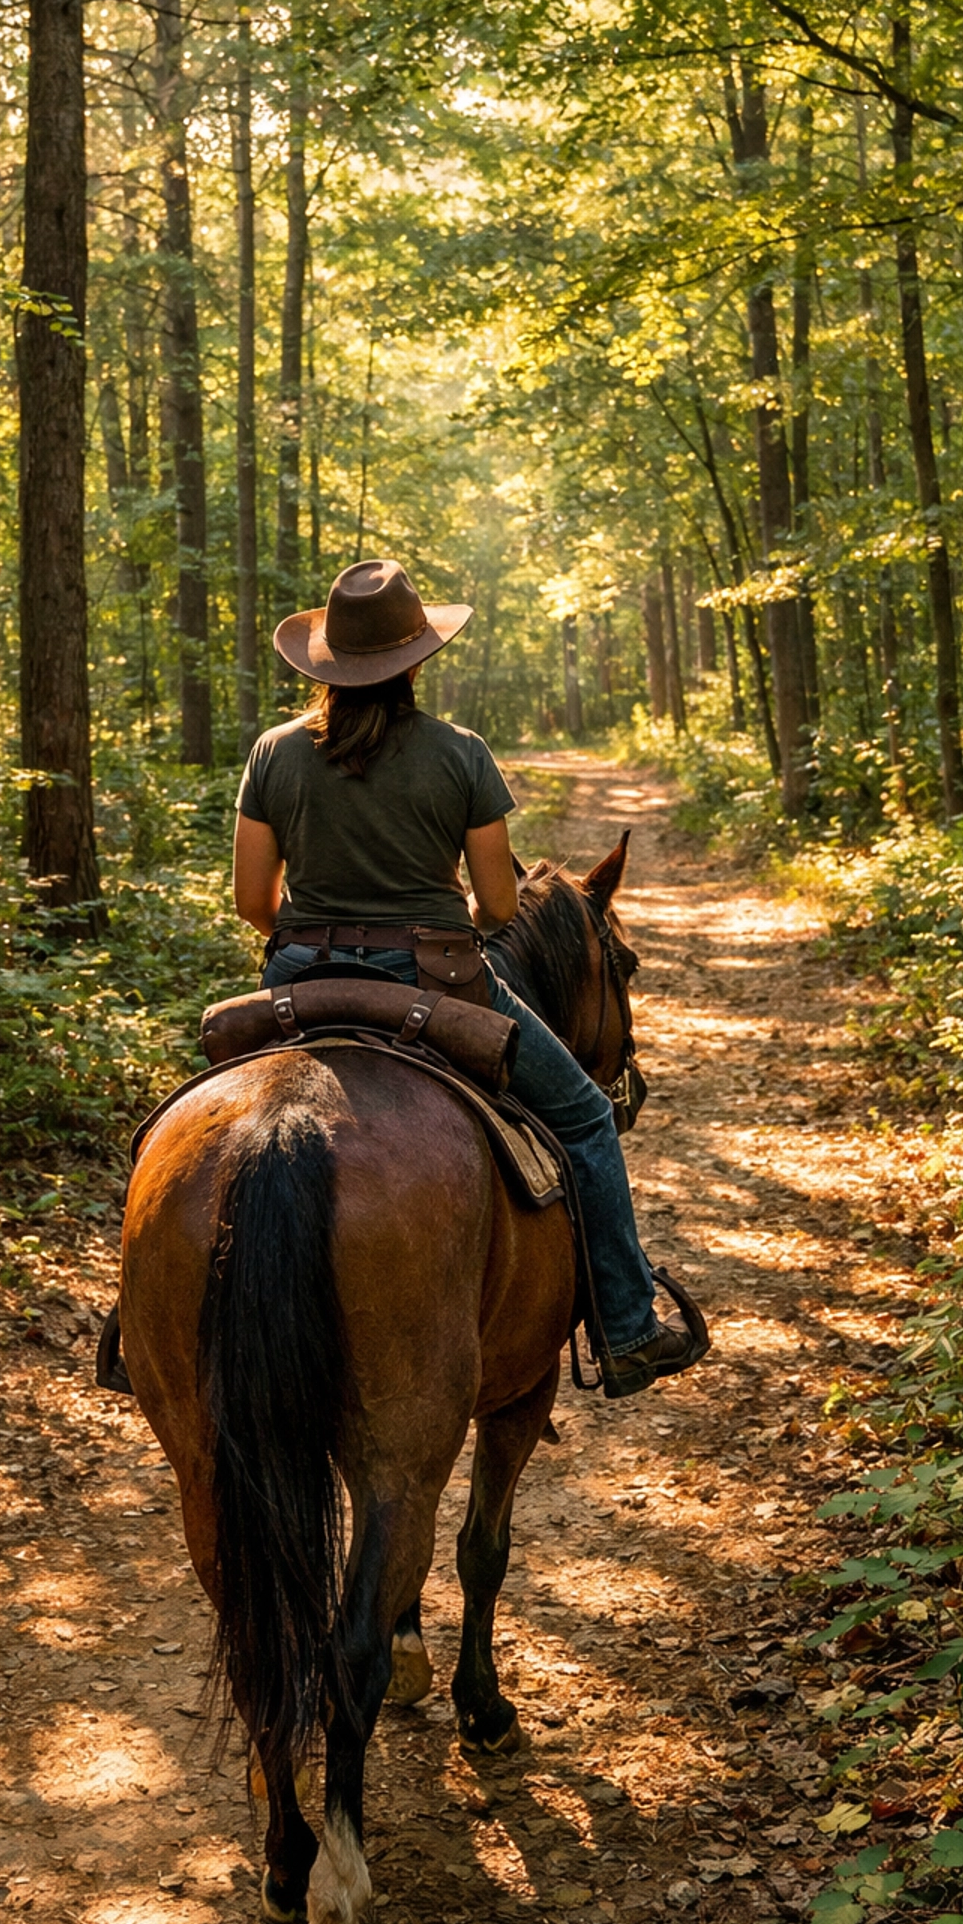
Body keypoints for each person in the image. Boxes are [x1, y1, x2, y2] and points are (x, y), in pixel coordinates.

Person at [231, 557, 709, 1401]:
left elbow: (250, 900)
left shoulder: (273, 754)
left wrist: (313, 941)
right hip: (437, 981)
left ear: (328, 665)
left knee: (202, 1130)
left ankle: (141, 1327)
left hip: (298, 977)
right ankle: (628, 1328)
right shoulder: (460, 755)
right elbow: (495, 904)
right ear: (417, 660)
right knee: (589, 1119)